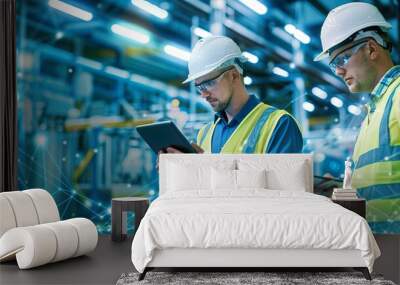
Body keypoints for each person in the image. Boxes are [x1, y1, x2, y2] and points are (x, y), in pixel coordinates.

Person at [314, 2, 400, 234]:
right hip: (379, 241)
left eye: (341, 59)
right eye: (334, 65)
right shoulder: (376, 109)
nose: (339, 71)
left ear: (371, 49)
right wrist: (343, 189)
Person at [165, 35, 303, 155]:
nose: (203, 94)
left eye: (209, 83)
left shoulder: (278, 125)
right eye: (200, 87)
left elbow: (281, 185)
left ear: (233, 75)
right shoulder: (204, 133)